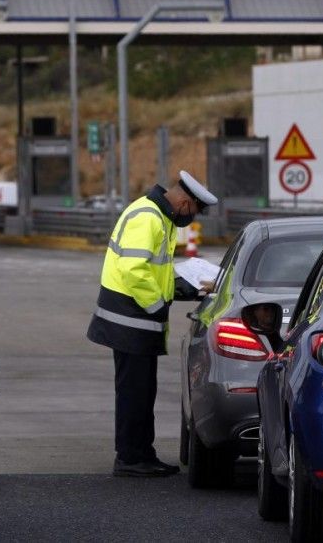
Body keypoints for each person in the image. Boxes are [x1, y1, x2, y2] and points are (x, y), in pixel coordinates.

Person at [87, 170, 218, 478]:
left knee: (141, 392)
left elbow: (154, 272)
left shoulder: (156, 216)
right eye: (194, 211)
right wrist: (158, 306)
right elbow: (134, 271)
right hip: (131, 320)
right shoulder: (148, 217)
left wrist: (191, 288)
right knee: (135, 392)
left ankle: (141, 453)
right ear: (184, 202)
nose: (191, 218)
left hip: (134, 321)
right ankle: (131, 458)